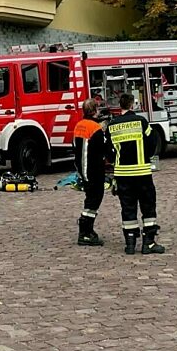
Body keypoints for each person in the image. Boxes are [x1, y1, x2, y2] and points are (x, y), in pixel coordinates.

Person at [105, 93, 164, 255]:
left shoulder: (111, 125)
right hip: (142, 172)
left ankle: (130, 243)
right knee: (148, 206)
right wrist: (146, 157)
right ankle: (149, 243)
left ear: (120, 105)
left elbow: (108, 152)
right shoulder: (141, 121)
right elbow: (152, 143)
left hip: (123, 174)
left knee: (128, 207)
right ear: (132, 105)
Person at [73, 98, 108, 246]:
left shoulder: (78, 126)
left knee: (90, 198)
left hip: (82, 169)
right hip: (94, 170)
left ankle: (87, 230)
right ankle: (85, 232)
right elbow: (103, 149)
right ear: (94, 111)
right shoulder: (95, 128)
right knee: (94, 199)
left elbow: (75, 146)